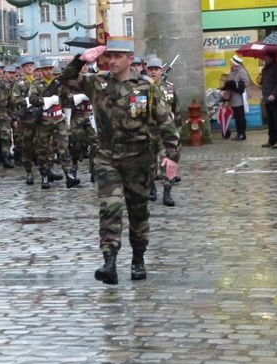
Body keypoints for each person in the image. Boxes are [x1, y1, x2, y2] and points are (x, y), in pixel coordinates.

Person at [60, 37, 180, 285]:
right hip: (107, 157)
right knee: (110, 208)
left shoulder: (145, 87)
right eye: (109, 57)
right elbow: (67, 80)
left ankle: (138, 258)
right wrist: (81, 59)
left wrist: (171, 156)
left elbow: (166, 123)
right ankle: (110, 261)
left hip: (139, 159)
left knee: (138, 211)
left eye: (117, 57)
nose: (112, 61)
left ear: (130, 59)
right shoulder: (98, 83)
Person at [29, 58, 78, 189]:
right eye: (45, 69)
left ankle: (69, 174)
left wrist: (67, 118)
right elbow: (32, 99)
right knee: (43, 149)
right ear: (41, 70)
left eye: (50, 69)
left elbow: (66, 101)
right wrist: (47, 100)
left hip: (58, 119)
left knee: (64, 147)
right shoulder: (36, 84)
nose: (48, 71)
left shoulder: (60, 84)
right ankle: (45, 175)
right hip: (44, 120)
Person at [144, 57, 181, 207]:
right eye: (150, 69)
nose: (153, 72)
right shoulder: (142, 89)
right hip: (148, 131)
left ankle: (167, 191)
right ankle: (151, 188)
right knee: (149, 162)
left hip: (165, 131)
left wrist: (177, 131)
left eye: (156, 69)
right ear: (146, 70)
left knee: (168, 161)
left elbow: (176, 111)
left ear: (161, 71)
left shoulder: (169, 89)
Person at [10, 56, 39, 185]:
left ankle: (44, 171)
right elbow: (14, 99)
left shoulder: (38, 81)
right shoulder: (19, 83)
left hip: (38, 117)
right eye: (26, 66)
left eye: (31, 66)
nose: (29, 68)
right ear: (22, 68)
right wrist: (27, 101)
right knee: (26, 146)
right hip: (26, 118)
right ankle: (29, 172)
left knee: (42, 145)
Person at [260, 52, 277, 149]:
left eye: (265, 56)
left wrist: (274, 94)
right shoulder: (265, 67)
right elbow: (263, 81)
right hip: (266, 97)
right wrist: (260, 79)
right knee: (270, 120)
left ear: (270, 57)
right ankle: (271, 139)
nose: (263, 58)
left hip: (275, 98)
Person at [227, 55, 251, 141]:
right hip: (233, 97)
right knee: (236, 117)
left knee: (240, 116)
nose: (230, 63)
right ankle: (238, 133)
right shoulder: (232, 71)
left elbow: (247, 82)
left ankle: (242, 134)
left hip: (239, 98)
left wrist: (236, 85)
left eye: (231, 62)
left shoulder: (241, 71)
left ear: (235, 63)